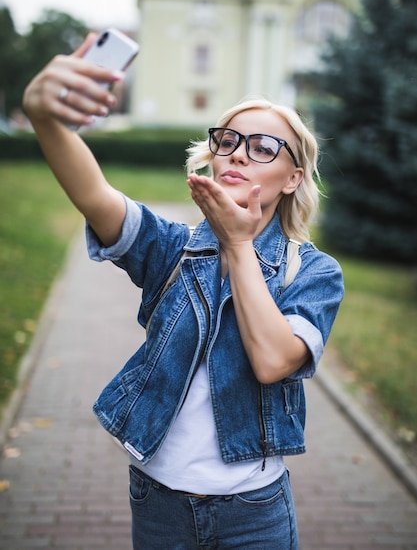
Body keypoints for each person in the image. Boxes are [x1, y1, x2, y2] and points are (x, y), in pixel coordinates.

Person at [23, 32, 344, 550]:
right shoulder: (173, 249)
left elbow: (273, 362)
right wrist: (45, 118)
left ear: (292, 178)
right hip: (159, 504)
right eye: (227, 141)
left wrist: (239, 246)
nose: (239, 153)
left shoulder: (313, 273)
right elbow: (95, 196)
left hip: (254, 512)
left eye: (263, 147)